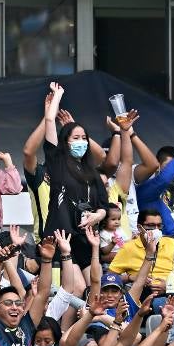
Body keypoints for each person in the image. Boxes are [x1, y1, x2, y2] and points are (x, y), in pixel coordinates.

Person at [42, 82, 109, 268]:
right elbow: (49, 122)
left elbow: (104, 205)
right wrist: (58, 95)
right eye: (76, 138)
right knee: (75, 288)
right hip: (61, 238)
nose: (82, 142)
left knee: (92, 288)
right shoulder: (58, 164)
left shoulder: (92, 173)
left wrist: (97, 216)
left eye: (84, 138)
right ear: (65, 142)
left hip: (86, 239)